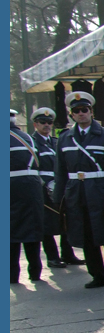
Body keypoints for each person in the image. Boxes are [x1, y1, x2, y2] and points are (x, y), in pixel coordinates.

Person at [53, 91, 104, 289]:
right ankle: (98, 275)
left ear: (91, 112)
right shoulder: (64, 138)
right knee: (85, 234)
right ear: (71, 114)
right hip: (75, 193)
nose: (81, 114)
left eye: (84, 110)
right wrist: (58, 198)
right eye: (76, 111)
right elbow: (60, 171)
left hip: (100, 192)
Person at [30, 106, 79, 268]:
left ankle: (67, 254)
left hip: (60, 186)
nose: (47, 125)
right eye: (42, 122)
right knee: (48, 223)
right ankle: (52, 257)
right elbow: (33, 167)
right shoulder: (32, 142)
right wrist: (47, 183)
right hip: (42, 188)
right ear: (35, 124)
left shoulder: (56, 142)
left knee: (66, 219)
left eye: (49, 122)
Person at [10, 109, 45, 284]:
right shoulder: (28, 138)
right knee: (32, 227)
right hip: (32, 185)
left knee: (10, 232)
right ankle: (35, 272)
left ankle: (12, 275)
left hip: (10, 186)